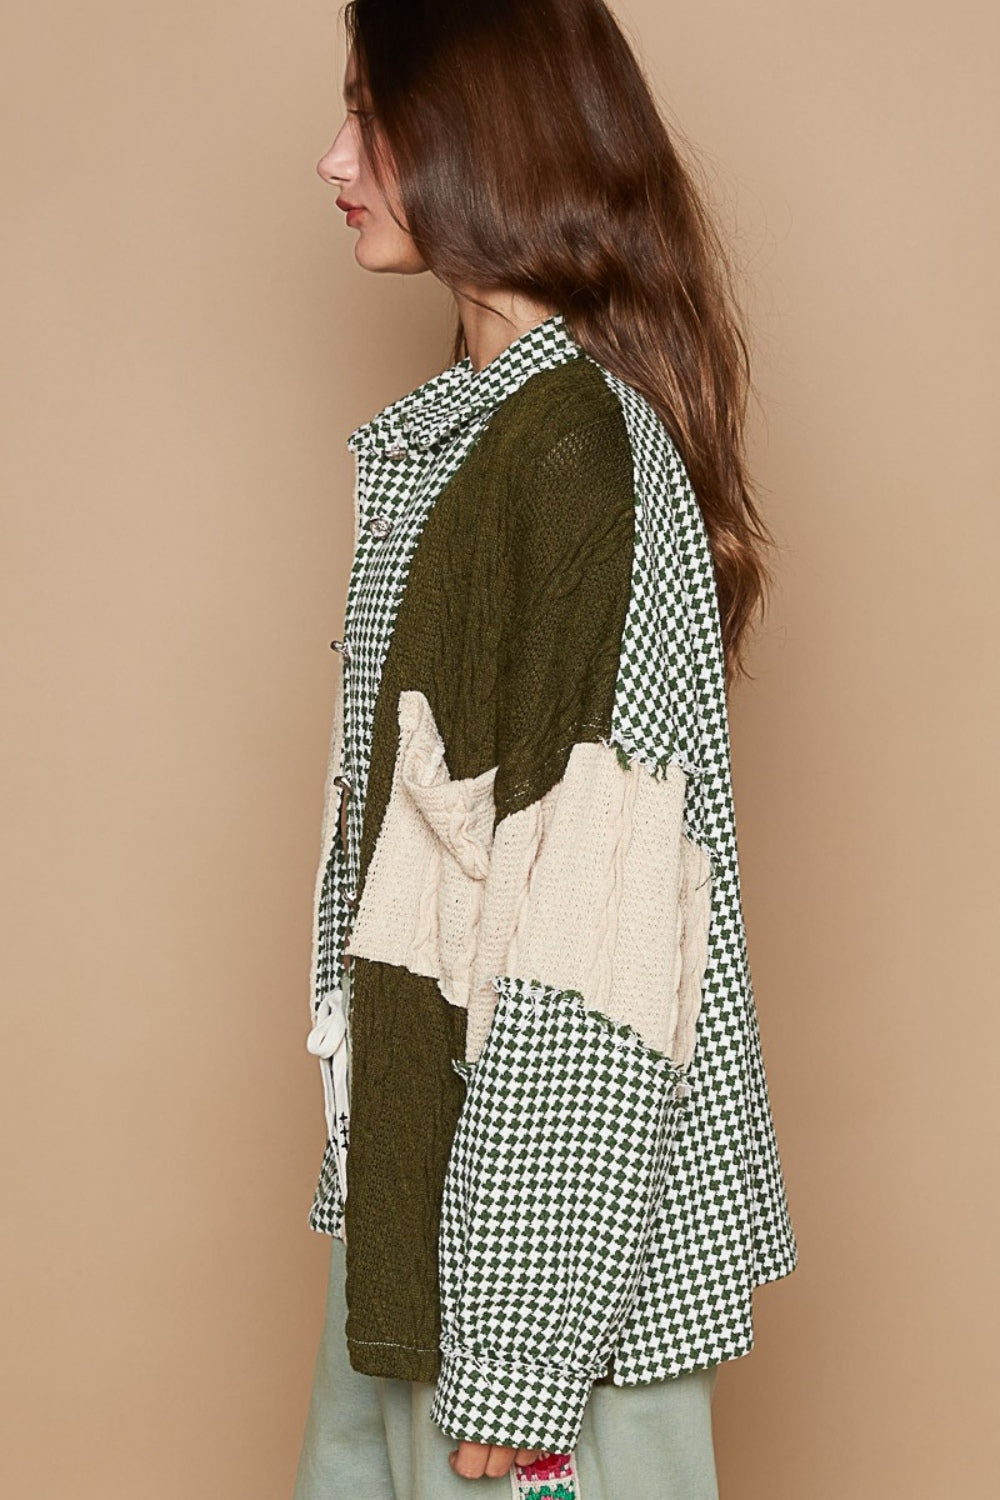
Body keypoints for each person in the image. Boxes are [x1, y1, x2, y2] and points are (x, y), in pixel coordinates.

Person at [293, 2, 798, 1495]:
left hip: (528, 1275)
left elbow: (599, 938)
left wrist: (518, 1351)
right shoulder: (481, 442)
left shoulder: (577, 462)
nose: (333, 160)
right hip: (420, 1216)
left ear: (488, 142)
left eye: (372, 117)